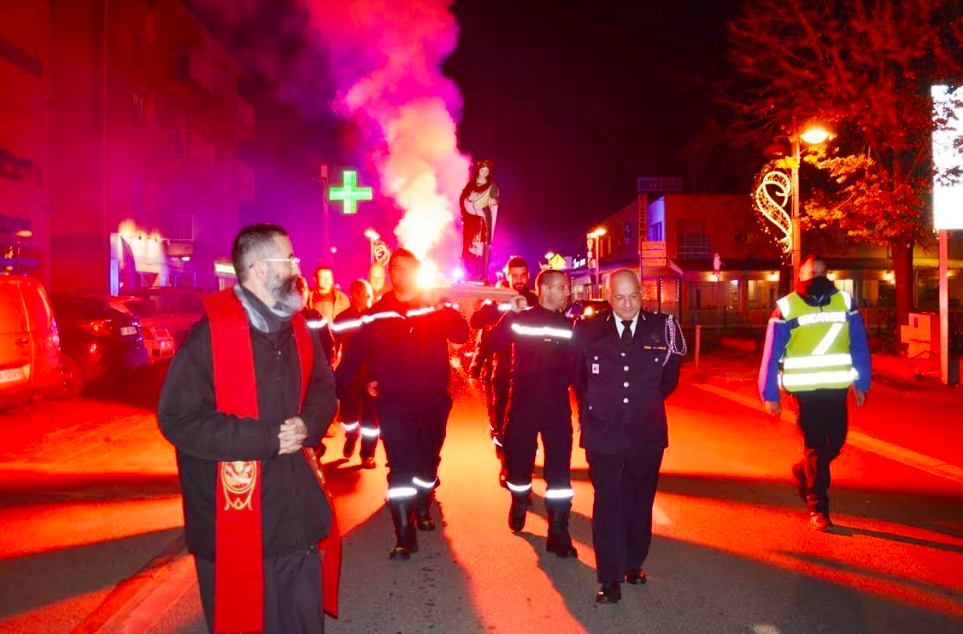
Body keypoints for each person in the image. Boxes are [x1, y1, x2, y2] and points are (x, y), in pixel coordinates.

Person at [157, 224, 339, 633]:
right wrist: (268, 438)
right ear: (259, 268)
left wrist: (308, 424)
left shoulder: (299, 328)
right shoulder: (211, 335)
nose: (297, 267)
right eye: (288, 259)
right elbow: (178, 418)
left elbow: (323, 387)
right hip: (236, 526)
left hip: (296, 519)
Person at [335, 248, 470, 559]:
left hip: (433, 400)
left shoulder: (435, 305)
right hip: (394, 402)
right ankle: (404, 534)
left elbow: (461, 335)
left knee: (427, 463)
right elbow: (355, 355)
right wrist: (329, 392)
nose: (400, 273)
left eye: (407, 268)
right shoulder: (378, 312)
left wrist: (444, 306)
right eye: (395, 267)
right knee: (400, 467)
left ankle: (423, 503)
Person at [573, 269, 685, 604]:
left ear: (642, 293)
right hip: (602, 430)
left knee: (639, 499)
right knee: (608, 501)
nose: (627, 304)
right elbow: (578, 377)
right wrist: (594, 408)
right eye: (619, 297)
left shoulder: (664, 327)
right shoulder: (588, 329)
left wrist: (642, 403)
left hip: (646, 429)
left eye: (633, 296)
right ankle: (609, 577)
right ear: (608, 297)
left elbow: (669, 379)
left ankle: (633, 563)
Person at [758, 255, 871, 531]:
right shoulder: (787, 307)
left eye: (821, 272)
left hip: (836, 388)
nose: (816, 277)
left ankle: (803, 470)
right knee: (817, 448)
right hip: (804, 392)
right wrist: (769, 393)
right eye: (811, 273)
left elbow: (858, 344)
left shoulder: (845, 302)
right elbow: (771, 353)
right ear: (800, 275)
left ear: (827, 273)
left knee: (836, 443)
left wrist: (861, 383)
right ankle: (818, 506)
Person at [487, 269, 578, 558]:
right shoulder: (521, 318)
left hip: (556, 406)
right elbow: (492, 343)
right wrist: (509, 315)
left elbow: (577, 370)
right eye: (562, 287)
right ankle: (518, 499)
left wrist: (586, 409)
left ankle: (558, 531)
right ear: (546, 290)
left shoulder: (569, 326)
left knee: (559, 470)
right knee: (518, 463)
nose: (567, 292)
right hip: (523, 404)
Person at [469, 257, 538, 476]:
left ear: (529, 276)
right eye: (514, 276)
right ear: (507, 276)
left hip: (529, 374)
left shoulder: (535, 300)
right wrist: (492, 303)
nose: (519, 280)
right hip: (500, 374)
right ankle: (505, 464)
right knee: (499, 423)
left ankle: (525, 462)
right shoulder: (497, 300)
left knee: (527, 423)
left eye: (523, 275)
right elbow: (476, 324)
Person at [331, 279, 379, 468]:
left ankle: (368, 454)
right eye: (366, 294)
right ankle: (351, 435)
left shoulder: (376, 317)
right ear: (355, 295)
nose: (369, 297)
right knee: (348, 414)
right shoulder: (341, 319)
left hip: (372, 375)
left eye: (369, 294)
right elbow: (333, 345)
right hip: (349, 375)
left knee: (371, 417)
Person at [460, 159, 499, 284]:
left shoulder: (491, 186)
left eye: (486, 171)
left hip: (484, 219)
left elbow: (495, 199)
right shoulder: (471, 184)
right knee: (469, 246)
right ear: (478, 171)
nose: (484, 173)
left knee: (482, 247)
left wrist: (494, 201)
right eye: (482, 170)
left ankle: (480, 274)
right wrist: (469, 198)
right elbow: (463, 199)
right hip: (471, 220)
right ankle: (469, 272)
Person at [296, 275, 335, 367]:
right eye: (298, 288)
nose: (302, 291)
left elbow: (328, 344)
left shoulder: (316, 316)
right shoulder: (315, 316)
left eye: (304, 288)